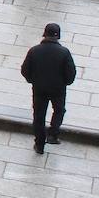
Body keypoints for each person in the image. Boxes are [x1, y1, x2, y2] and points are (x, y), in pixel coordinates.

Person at [21, 23, 76, 154]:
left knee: (39, 115)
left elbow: (25, 70)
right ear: (58, 36)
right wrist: (65, 83)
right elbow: (71, 73)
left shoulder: (34, 50)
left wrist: (32, 80)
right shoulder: (64, 52)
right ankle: (53, 134)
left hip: (39, 88)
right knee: (59, 110)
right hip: (58, 89)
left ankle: (39, 144)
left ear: (45, 34)